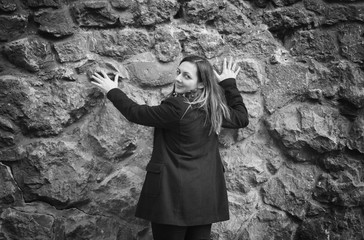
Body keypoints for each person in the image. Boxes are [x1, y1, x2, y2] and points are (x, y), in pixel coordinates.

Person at [91, 55, 249, 240]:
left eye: (186, 76)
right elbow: (241, 118)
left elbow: (137, 113)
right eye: (178, 72)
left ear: (200, 84)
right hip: (205, 196)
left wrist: (113, 90)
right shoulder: (212, 107)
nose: (178, 78)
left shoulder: (177, 108)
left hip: (172, 196)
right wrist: (229, 83)